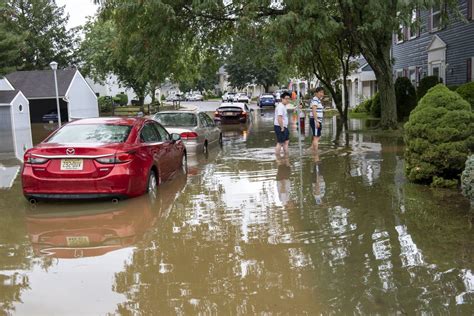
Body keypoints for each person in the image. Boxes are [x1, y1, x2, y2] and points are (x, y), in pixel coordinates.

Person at [274, 91, 291, 156]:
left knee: (286, 141)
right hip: (280, 127)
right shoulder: (280, 107)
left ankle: (286, 156)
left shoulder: (283, 106)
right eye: (286, 99)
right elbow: (279, 118)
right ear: (282, 99)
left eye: (288, 99)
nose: (287, 100)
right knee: (280, 143)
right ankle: (278, 158)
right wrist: (282, 127)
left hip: (284, 127)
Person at [309, 87, 324, 151]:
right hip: (316, 121)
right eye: (320, 92)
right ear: (316, 93)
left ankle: (311, 149)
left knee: (318, 136)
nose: (322, 94)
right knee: (316, 137)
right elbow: (314, 110)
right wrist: (316, 121)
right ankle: (315, 154)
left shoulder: (317, 100)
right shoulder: (315, 99)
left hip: (317, 120)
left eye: (323, 92)